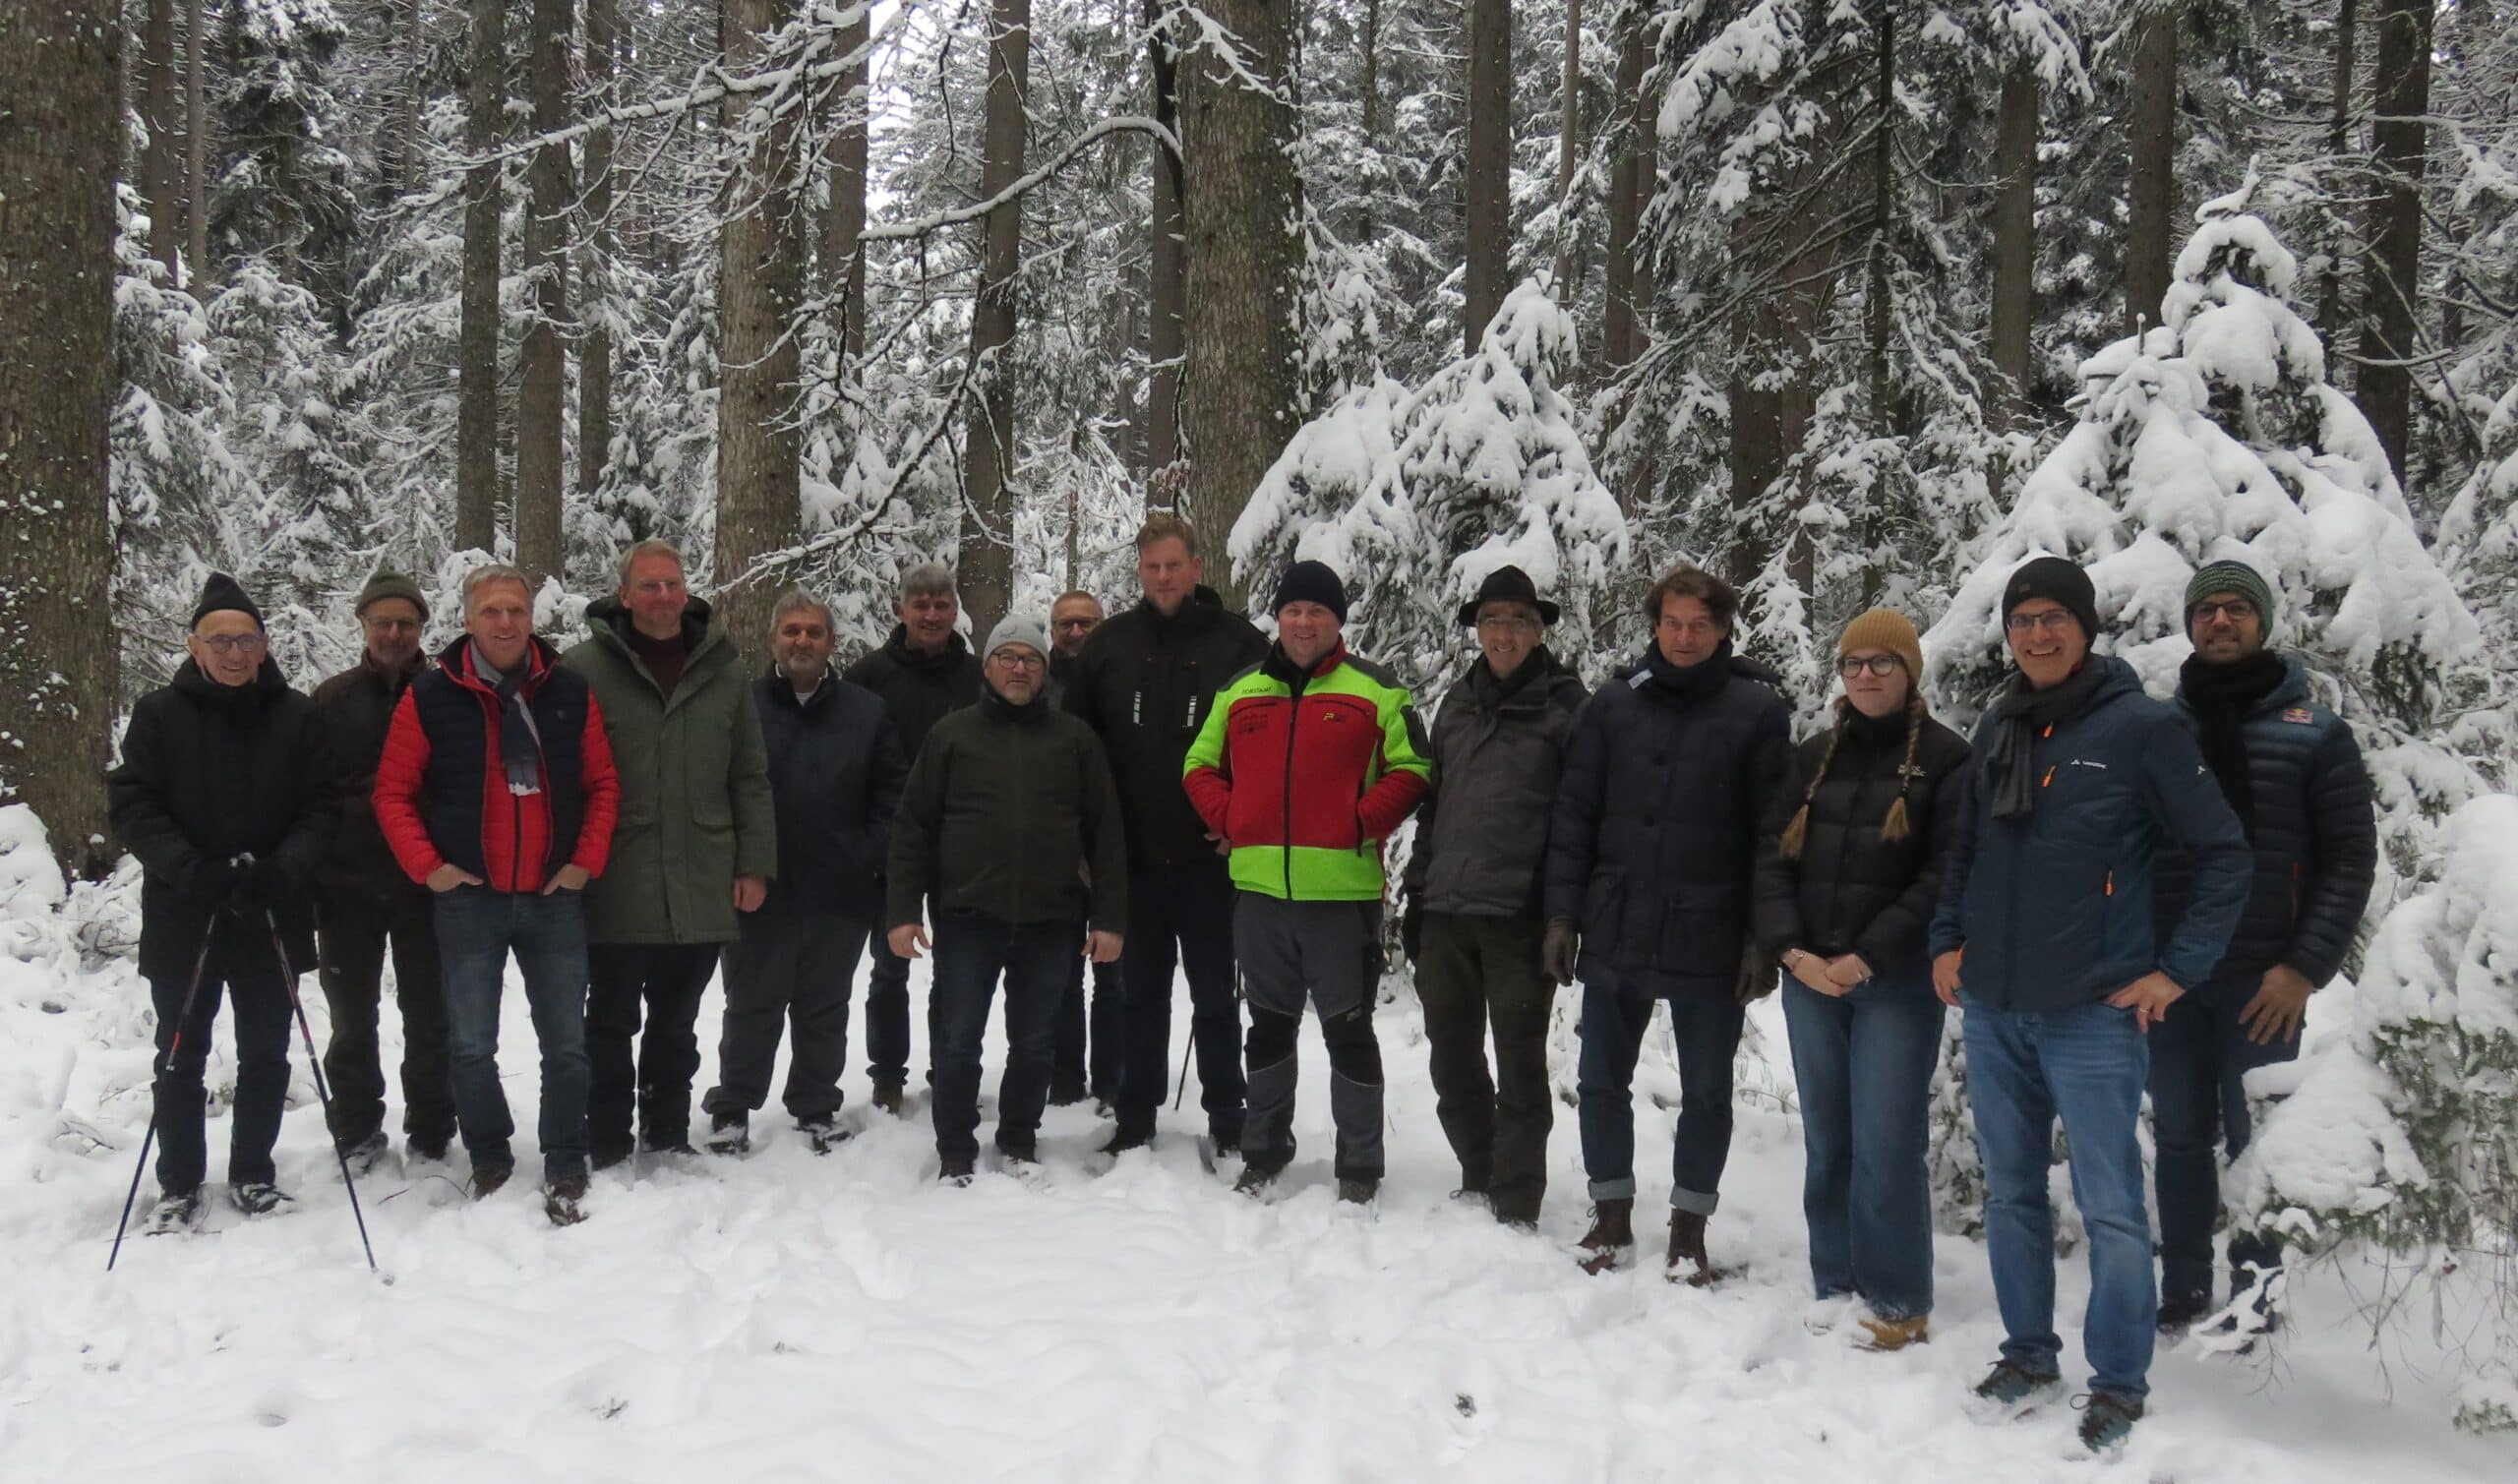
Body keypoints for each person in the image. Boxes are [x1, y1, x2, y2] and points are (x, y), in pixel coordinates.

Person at [1928, 556, 2249, 1452]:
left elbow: (2224, 853)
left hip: (2093, 1014)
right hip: (1995, 1006)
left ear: (2084, 628)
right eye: (2022, 620)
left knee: (2111, 1205)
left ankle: (2118, 1379)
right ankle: (2028, 1352)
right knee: (2014, 1196)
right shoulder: (1999, 721)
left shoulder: (2142, 729)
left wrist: (2175, 969)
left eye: (2053, 618)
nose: (2037, 634)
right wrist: (1944, 942)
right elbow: (1965, 853)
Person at [1543, 564, 1790, 1280]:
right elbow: (1574, 816)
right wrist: (1563, 913)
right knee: (1600, 1080)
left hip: (1710, 928)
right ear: (1655, 625)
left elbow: (1774, 834)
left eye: (1700, 625)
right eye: (1673, 622)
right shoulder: (1614, 705)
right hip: (1619, 918)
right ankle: (1610, 1214)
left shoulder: (1756, 712)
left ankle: (1689, 1226)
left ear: (1722, 631)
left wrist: (1759, 936)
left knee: (1708, 1090)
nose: (1685, 637)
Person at [2150, 559, 2375, 1334]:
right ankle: (2181, 1292)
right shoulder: (2160, 729)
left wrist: (2305, 968)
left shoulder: (2314, 732)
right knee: (2179, 1138)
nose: (2220, 620)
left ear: (2262, 624)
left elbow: (2350, 857)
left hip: (2265, 982)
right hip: (2172, 980)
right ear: (2189, 624)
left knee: (2257, 1147)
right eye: (2206, 609)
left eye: (2235, 609)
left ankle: (2254, 1302)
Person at [1750, 609, 1972, 1348]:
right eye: (1854, 663)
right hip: (1812, 976)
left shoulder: (1946, 759)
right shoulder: (1814, 755)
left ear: (1910, 672)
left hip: (1896, 982)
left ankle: (1898, 1297)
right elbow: (1771, 863)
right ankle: (1835, 1279)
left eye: (1883, 662)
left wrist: (1869, 953)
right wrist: (1793, 951)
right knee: (1830, 1135)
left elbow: (1944, 874)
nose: (1868, 674)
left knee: (1885, 1139)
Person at [374, 564, 621, 1223]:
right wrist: (430, 868)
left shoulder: (568, 691)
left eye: (516, 610)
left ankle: (567, 1154)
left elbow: (602, 785)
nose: (505, 622)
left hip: (553, 894)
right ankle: (490, 1153)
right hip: (469, 897)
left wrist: (582, 864)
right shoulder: (432, 695)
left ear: (531, 617)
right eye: (492, 612)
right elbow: (393, 793)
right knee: (470, 1044)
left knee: (566, 1042)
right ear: (469, 620)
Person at [1182, 561, 1429, 1203]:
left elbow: (1413, 768)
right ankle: (1265, 1149)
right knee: (1266, 1029)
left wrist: (1360, 820)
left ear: (1337, 620)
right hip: (1260, 896)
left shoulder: (1376, 691)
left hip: (1340, 900)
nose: (1303, 621)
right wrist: (1231, 815)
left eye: (1317, 611)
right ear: (1279, 615)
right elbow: (1198, 764)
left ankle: (1360, 1165)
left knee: (1348, 1030)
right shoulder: (1240, 692)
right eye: (1293, 609)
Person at [109, 573, 337, 1229]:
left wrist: (283, 867)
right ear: (194, 645)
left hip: (270, 908)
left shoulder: (297, 714)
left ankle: (254, 1171)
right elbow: (133, 804)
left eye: (247, 639)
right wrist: (189, 868)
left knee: (267, 1048)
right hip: (188, 911)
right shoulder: (158, 713)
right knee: (180, 1051)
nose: (236, 652)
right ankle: (179, 1181)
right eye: (221, 640)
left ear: (264, 645)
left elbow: (323, 807)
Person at [886, 615, 1126, 1181]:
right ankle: (954, 1149)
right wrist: (902, 912)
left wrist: (1109, 919)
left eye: (1031, 660)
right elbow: (912, 828)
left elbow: (1105, 834)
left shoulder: (1074, 740)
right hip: (968, 917)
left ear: (1044, 672)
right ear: (988, 666)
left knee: (1036, 1042)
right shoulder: (952, 735)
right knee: (958, 1038)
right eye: (1007, 657)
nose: (1019, 668)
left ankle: (1018, 1140)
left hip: (1052, 918)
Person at [563, 539, 776, 1166]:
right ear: (623, 596)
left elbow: (749, 775)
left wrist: (753, 864)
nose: (663, 597)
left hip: (701, 875)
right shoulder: (582, 670)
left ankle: (664, 1131)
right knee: (608, 1021)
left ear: (687, 593)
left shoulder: (723, 670)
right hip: (615, 878)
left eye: (672, 585)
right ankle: (603, 1137)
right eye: (649, 586)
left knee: (676, 1022)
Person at [1065, 515, 1269, 1156]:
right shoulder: (1108, 646)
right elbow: (1076, 747)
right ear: (1140, 570)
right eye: (1152, 566)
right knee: (1138, 994)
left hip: (1212, 857)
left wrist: (1245, 822)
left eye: (1173, 565)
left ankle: (1227, 1112)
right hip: (1132, 857)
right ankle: (1136, 1113)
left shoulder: (1240, 644)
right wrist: (1084, 841)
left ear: (1197, 567)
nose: (1162, 577)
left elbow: (1268, 746)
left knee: (1215, 994)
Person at [1400, 565, 1588, 1228]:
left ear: (1537, 631)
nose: (1501, 633)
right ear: (1476, 630)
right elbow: (1436, 809)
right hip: (1448, 910)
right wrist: (1416, 895)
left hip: (1520, 915)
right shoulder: (1456, 702)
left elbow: (1578, 821)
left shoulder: (1566, 708)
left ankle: (1516, 1196)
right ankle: (1478, 1170)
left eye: (1514, 620)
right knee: (1451, 1056)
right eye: (1490, 620)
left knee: (1519, 1063)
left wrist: (1561, 914)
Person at [701, 591, 908, 1156]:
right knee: (751, 1002)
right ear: (773, 641)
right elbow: (717, 792)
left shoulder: (865, 712)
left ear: (830, 643)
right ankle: (733, 1107)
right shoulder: (741, 707)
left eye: (813, 631)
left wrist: (864, 853)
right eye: (791, 630)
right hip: (759, 888)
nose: (802, 641)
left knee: (824, 1005)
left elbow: (893, 793)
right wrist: (740, 864)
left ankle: (816, 1106)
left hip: (839, 890)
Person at [310, 569, 453, 1171]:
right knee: (350, 1019)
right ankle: (357, 1127)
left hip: (426, 886)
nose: (394, 633)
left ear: (423, 628)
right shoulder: (330, 699)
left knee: (430, 1015)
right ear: (363, 626)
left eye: (406, 623)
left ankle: (431, 1128)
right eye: (382, 623)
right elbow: (308, 793)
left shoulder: (447, 693)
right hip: (345, 887)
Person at [842, 564, 984, 1114]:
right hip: (890, 842)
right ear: (901, 609)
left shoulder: (977, 677)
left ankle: (945, 1066)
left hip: (963, 844)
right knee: (888, 967)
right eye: (920, 604)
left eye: (941, 604)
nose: (930, 614)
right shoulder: (868, 677)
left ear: (955, 611)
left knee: (954, 968)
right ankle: (887, 1073)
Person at [1046, 587, 1121, 1106]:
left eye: (1086, 623)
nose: (1075, 632)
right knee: (1060, 975)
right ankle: (1064, 1078)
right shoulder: (1031, 681)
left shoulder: (1120, 680)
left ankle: (1113, 1079)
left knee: (1113, 975)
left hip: (1116, 845)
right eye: (1066, 624)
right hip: (1052, 854)